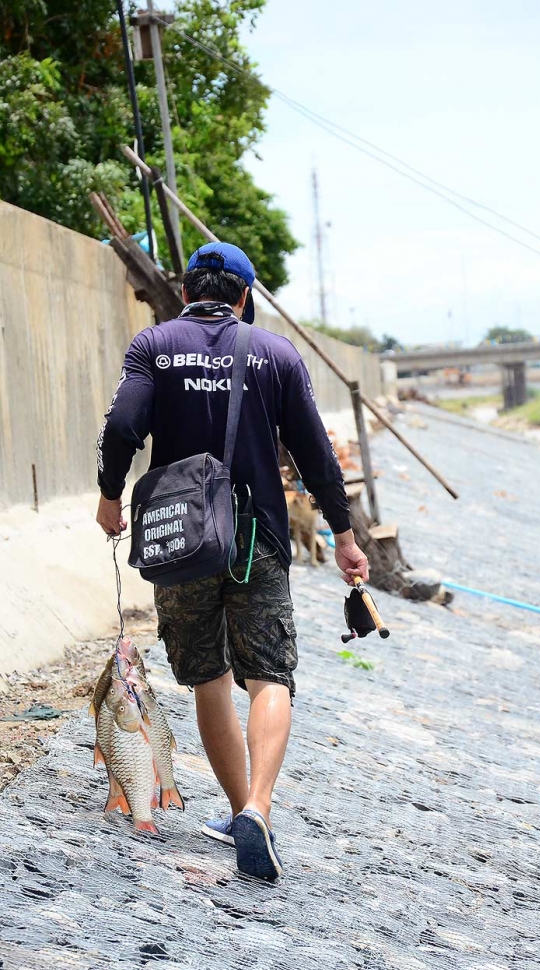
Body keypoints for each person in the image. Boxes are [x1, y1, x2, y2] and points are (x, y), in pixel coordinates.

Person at [96, 241, 368, 881]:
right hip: (257, 537)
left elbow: (121, 427)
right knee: (270, 676)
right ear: (244, 298)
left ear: (187, 291)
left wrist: (110, 496)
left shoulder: (153, 346)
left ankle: (236, 808)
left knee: (210, 678)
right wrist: (345, 536)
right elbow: (316, 455)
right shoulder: (275, 354)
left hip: (180, 537)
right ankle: (258, 810)